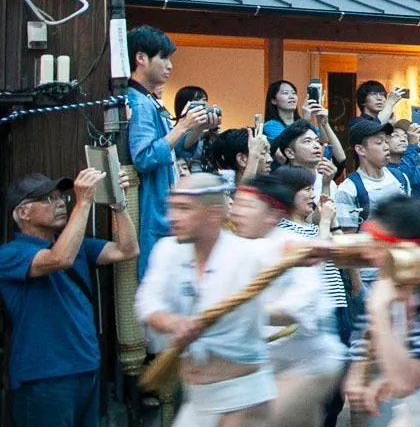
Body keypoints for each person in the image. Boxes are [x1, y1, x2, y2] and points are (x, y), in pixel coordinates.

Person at [136, 173, 297, 426]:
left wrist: (310, 250)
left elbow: (285, 249)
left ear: (212, 213)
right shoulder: (167, 250)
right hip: (196, 398)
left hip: (244, 396)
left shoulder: (247, 253)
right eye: (172, 208)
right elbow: (148, 303)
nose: (171, 217)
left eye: (183, 209)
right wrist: (173, 322)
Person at [0, 169, 139, 427]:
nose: (62, 203)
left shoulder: (78, 246)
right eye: (48, 199)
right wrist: (83, 202)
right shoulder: (9, 254)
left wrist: (118, 204)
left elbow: (127, 249)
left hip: (87, 367)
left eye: (61, 197)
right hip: (43, 377)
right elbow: (58, 260)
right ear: (22, 213)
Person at [230, 175, 343, 426]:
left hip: (307, 363)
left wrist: (242, 311)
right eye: (236, 204)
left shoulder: (294, 248)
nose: (237, 213)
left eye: (247, 206)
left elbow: (296, 309)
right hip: (260, 364)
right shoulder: (233, 248)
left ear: (272, 214)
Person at [343, 196, 420, 427]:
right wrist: (358, 373)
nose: (369, 254)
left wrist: (378, 308)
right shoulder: (390, 280)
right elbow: (367, 332)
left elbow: (405, 382)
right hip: (413, 408)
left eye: (378, 244)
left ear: (404, 250)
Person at [125, 24, 212, 276]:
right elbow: (145, 156)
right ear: (141, 58)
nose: (170, 65)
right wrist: (183, 124)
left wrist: (196, 129)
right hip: (153, 208)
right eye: (163, 58)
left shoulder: (150, 99)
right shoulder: (138, 101)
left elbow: (178, 150)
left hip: (164, 208)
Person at [333, 119, 411, 292]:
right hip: (368, 278)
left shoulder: (400, 179)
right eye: (378, 142)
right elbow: (348, 241)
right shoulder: (349, 188)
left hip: (400, 270)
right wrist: (357, 284)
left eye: (386, 141)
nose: (386, 146)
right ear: (360, 150)